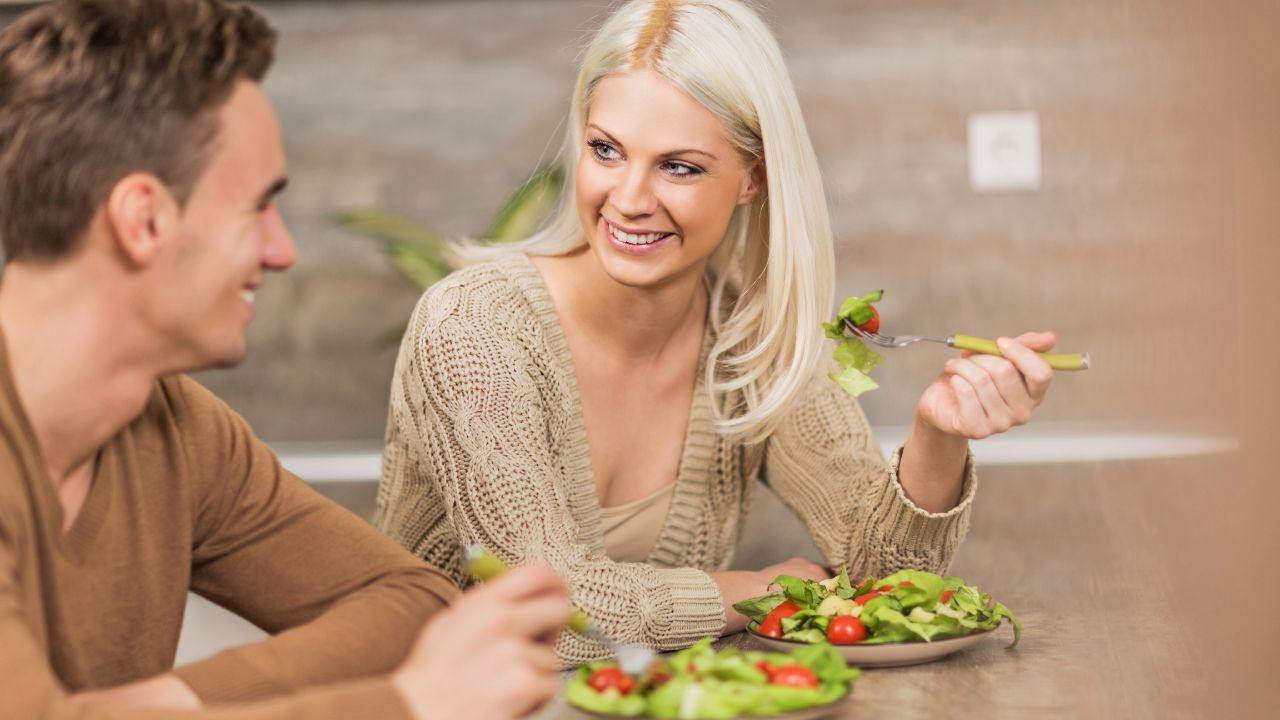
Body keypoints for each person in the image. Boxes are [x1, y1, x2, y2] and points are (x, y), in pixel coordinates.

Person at [376, 0, 1060, 666]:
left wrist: (939, 434)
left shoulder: (751, 340)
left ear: (751, 178)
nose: (631, 199)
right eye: (606, 150)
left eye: (680, 166)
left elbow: (884, 575)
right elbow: (545, 619)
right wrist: (757, 590)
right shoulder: (472, 326)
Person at [0, 1, 569, 718]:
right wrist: (409, 705)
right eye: (258, 207)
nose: (282, 250)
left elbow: (411, 603)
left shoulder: (176, 428)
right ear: (143, 221)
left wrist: (162, 702)